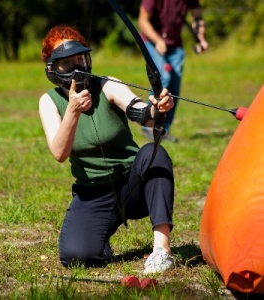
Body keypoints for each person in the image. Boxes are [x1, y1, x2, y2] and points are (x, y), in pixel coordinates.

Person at [39, 25, 175, 274]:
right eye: (66, 64)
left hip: (133, 184)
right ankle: (99, 239)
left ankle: (162, 250)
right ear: (52, 69)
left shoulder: (106, 85)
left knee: (153, 154)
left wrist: (158, 108)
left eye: (79, 59)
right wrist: (72, 111)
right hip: (93, 193)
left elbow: (141, 113)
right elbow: (59, 153)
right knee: (75, 256)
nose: (76, 68)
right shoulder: (49, 102)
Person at [139, 0, 209, 142]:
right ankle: (149, 125)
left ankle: (164, 129)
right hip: (152, 41)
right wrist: (158, 40)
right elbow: (142, 21)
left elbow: (197, 17)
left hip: (175, 45)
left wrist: (200, 38)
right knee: (163, 77)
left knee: (174, 84)